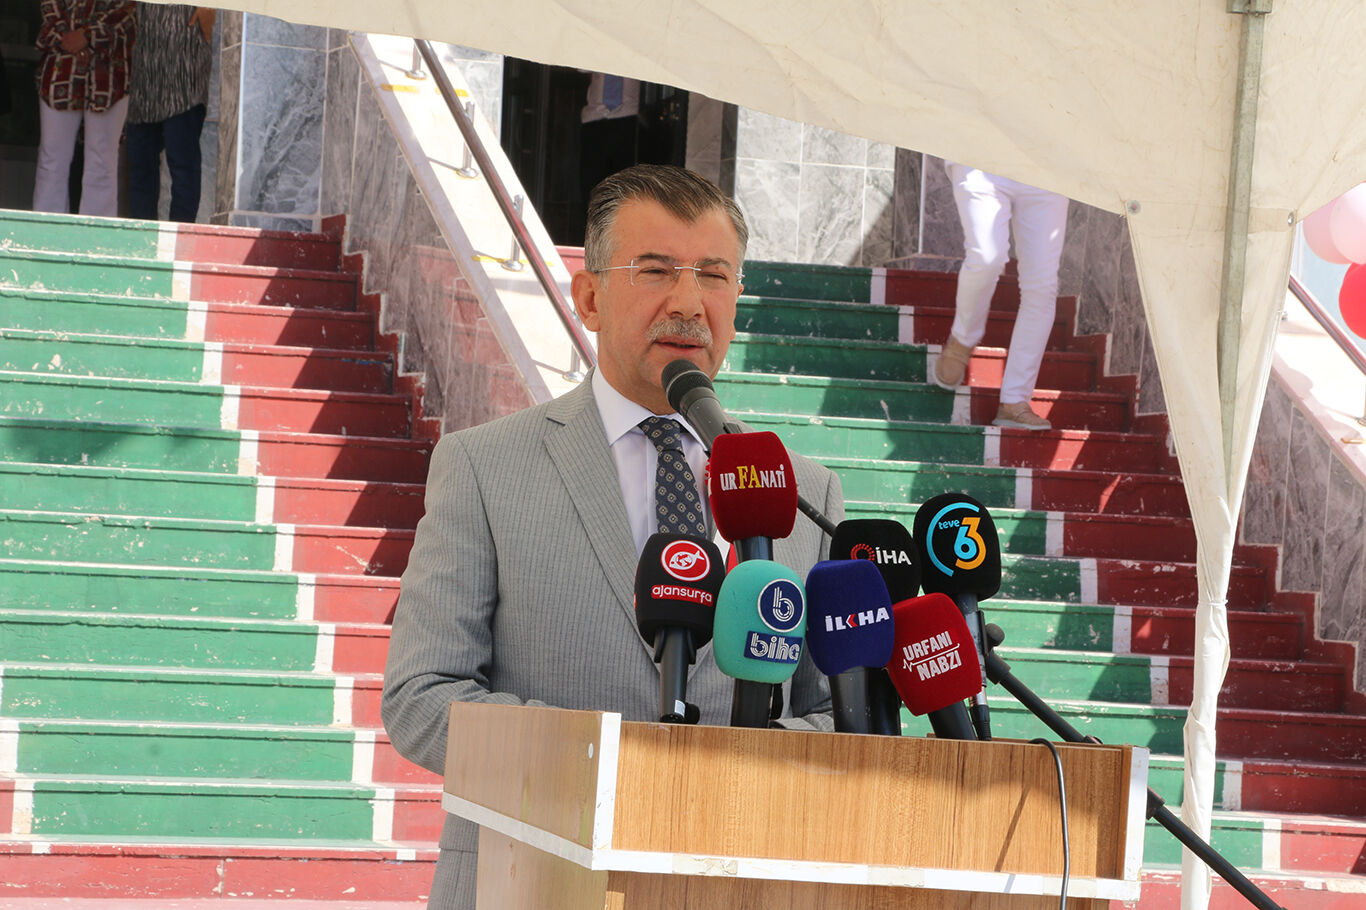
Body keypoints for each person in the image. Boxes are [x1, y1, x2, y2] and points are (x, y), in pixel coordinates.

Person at [382, 165, 843, 909]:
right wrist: (608, 766)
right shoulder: (483, 467)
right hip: (525, 885)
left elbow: (835, 715)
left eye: (714, 276)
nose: (688, 302)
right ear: (590, 297)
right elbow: (421, 697)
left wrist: (742, 772)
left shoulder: (803, 492)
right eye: (656, 270)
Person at [933, 163, 1069, 430]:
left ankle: (1014, 402)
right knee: (986, 258)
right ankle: (963, 338)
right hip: (982, 157)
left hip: (1048, 165)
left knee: (1042, 285)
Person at [32, 0, 136, 216]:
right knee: (52, 158)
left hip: (109, 72)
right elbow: (50, 8)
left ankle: (97, 230)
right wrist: (70, 39)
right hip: (61, 68)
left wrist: (86, 36)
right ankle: (46, 226)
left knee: (102, 159)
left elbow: (126, 10)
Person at [125, 4, 214, 222]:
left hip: (185, 62)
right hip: (146, 67)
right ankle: (142, 233)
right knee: (140, 161)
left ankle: (181, 232)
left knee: (182, 160)